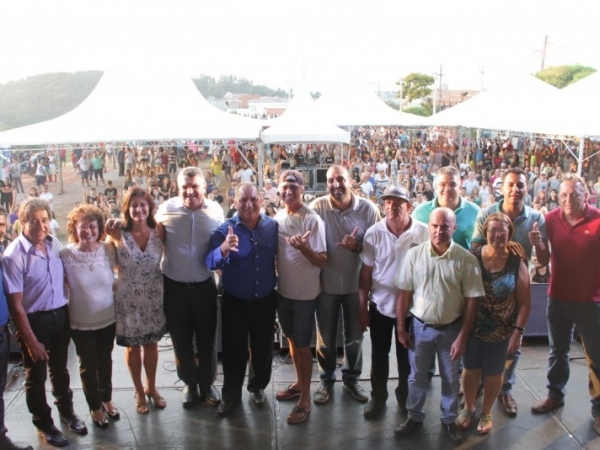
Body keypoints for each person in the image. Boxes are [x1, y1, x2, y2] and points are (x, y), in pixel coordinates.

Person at [394, 207, 484, 444]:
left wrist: (462, 337)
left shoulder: (466, 260)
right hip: (419, 329)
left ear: (454, 228)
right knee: (416, 377)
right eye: (434, 226)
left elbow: (472, 301)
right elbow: (404, 293)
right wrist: (401, 327)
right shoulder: (414, 256)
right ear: (429, 226)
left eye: (445, 226)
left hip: (451, 331)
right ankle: (414, 417)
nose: (438, 231)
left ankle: (449, 420)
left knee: (451, 379)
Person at [2, 199, 87, 447]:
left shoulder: (54, 243)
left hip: (59, 316)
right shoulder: (13, 256)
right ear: (22, 223)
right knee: (36, 376)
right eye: (34, 221)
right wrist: (30, 340)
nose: (41, 226)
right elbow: (16, 305)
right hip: (33, 321)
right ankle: (44, 423)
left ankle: (67, 412)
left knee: (60, 370)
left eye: (44, 220)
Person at [471, 167, 549, 417]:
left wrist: (538, 244)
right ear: (502, 188)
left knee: (512, 344)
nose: (516, 189)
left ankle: (505, 389)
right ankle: (482, 383)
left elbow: (545, 258)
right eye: (511, 185)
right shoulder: (486, 213)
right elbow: (475, 247)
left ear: (528, 189)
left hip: (515, 290)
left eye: (521, 185)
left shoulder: (536, 217)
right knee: (482, 341)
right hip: (486, 290)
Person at [530, 174, 600, 435]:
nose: (568, 199)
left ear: (586, 195)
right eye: (563, 195)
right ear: (557, 197)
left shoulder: (598, 219)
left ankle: (599, 409)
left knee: (596, 357)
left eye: (574, 194)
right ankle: (555, 394)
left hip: (590, 301)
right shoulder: (550, 219)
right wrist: (538, 246)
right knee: (557, 352)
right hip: (557, 297)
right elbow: (545, 260)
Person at [206, 182, 278, 417]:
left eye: (253, 199)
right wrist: (224, 249)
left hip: (265, 300)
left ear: (261, 201)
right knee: (234, 352)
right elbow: (210, 263)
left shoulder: (272, 227)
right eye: (243, 200)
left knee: (262, 349)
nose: (249, 204)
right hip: (235, 302)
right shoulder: (223, 230)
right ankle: (231, 396)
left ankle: (257, 388)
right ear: (234, 202)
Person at [310, 165, 380, 404]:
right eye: (331, 181)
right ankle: (325, 381)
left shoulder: (368, 210)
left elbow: (376, 249)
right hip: (325, 286)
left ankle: (352, 379)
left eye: (340, 179)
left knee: (355, 338)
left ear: (351, 181)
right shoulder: (317, 207)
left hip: (356, 287)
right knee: (325, 340)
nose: (336, 185)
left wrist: (358, 245)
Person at [154, 167, 223, 408]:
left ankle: (207, 383)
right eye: (185, 186)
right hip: (174, 288)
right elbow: (151, 238)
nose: (190, 191)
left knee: (207, 338)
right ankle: (189, 383)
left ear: (205, 187)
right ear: (178, 187)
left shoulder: (216, 211)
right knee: (180, 339)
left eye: (195, 186)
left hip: (204, 287)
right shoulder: (166, 210)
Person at [358, 183, 428, 419]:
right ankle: (378, 398)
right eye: (388, 203)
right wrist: (362, 308)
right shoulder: (373, 233)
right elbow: (365, 276)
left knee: (407, 357)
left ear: (409, 206)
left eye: (397, 203)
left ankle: (405, 396)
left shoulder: (423, 232)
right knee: (379, 355)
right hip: (380, 306)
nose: (392, 207)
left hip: (412, 310)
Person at [458, 212, 530, 435]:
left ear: (510, 233)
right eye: (493, 230)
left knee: (494, 372)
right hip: (472, 327)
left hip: (502, 330)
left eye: (503, 230)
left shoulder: (517, 261)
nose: (498, 234)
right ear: (485, 232)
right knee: (470, 370)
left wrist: (517, 333)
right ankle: (469, 408)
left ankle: (486, 412)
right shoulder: (473, 256)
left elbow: (525, 303)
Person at [106, 187, 167, 415]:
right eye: (134, 205)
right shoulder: (116, 232)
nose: (139, 209)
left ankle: (151, 387)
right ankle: (139, 392)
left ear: (150, 207)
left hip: (153, 295)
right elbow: (109, 262)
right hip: (128, 298)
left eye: (143, 204)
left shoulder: (158, 229)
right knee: (133, 347)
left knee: (151, 344)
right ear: (127, 208)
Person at [275, 170, 327, 424]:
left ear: (302, 189)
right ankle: (298, 382)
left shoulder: (313, 220)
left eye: (293, 187)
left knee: (304, 347)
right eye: (284, 186)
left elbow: (322, 260)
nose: (288, 191)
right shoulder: (277, 217)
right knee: (293, 341)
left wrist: (304, 247)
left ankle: (305, 397)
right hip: (283, 291)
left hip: (305, 294)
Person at [60, 205, 119, 429]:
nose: (88, 231)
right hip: (80, 322)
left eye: (92, 226)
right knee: (87, 365)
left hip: (107, 318)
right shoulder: (66, 254)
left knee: (105, 361)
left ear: (99, 228)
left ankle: (107, 398)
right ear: (75, 228)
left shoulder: (107, 249)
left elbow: (122, 268)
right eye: (83, 227)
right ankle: (95, 407)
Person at [413, 166, 480, 249]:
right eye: (442, 184)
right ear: (436, 188)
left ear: (459, 187)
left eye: (452, 184)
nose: (447, 189)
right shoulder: (419, 213)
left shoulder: (475, 212)